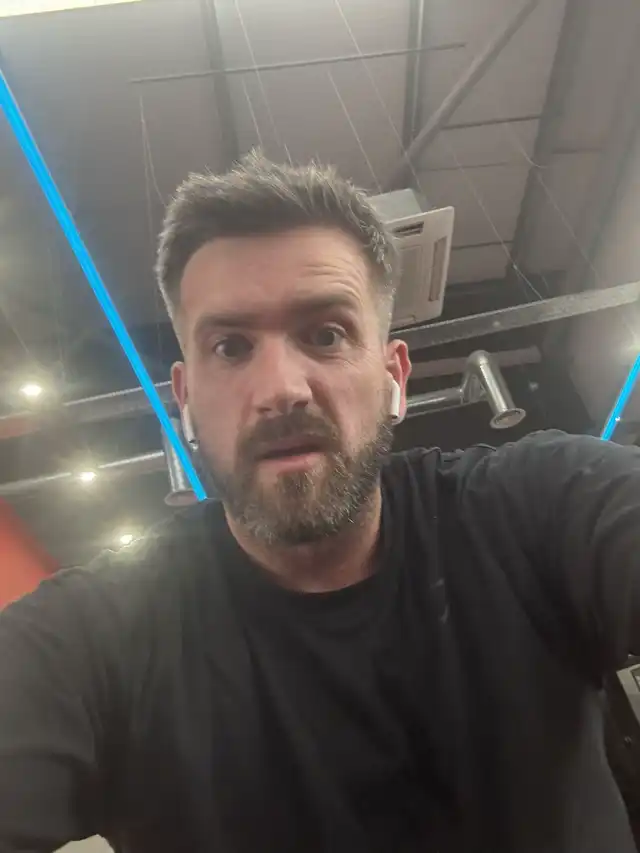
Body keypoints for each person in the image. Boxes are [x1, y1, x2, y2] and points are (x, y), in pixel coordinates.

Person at [0, 153, 639, 853]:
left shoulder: (539, 506)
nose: (281, 389)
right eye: (230, 347)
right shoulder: (96, 637)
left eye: (326, 334)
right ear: (184, 400)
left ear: (393, 376)